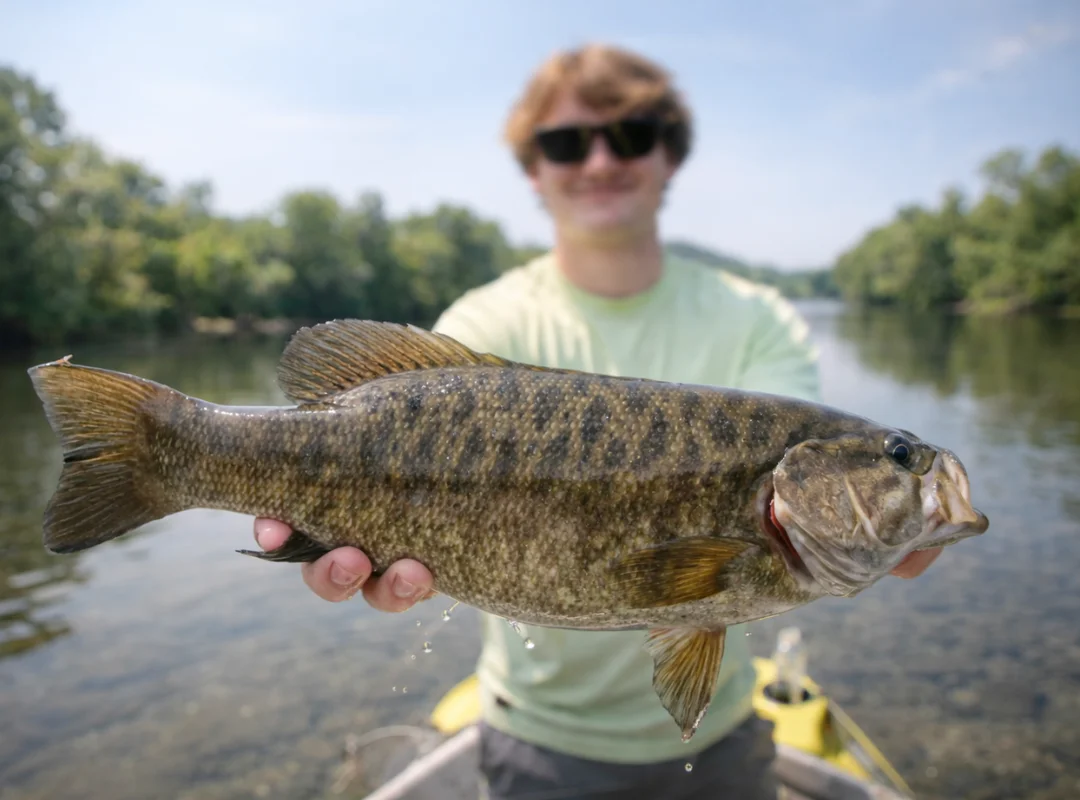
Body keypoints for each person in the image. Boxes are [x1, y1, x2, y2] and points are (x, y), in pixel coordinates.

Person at [253, 43, 942, 799]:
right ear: (533, 169)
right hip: (536, 742)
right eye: (566, 143)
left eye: (633, 135)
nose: (601, 160)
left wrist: (889, 529)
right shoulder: (483, 322)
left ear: (670, 155)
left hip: (722, 737)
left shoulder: (758, 321)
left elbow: (778, 509)